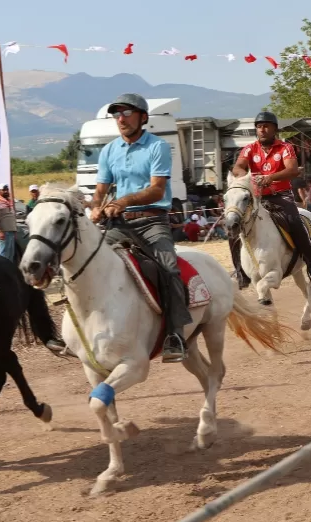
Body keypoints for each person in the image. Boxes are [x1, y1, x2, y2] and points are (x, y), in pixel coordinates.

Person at [90, 93, 191, 363]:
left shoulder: (158, 146)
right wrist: (95, 207)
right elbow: (100, 191)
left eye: (126, 113)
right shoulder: (109, 150)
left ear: (143, 117)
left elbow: (157, 190)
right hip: (118, 224)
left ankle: (175, 335)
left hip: (152, 221)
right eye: (117, 114)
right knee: (89, 262)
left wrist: (124, 201)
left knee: (169, 268)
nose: (120, 119)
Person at [229, 111, 311, 290]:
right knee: (234, 225)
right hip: (256, 198)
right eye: (259, 127)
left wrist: (270, 177)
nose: (262, 130)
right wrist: (246, 176)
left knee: (294, 220)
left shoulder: (285, 148)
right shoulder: (249, 149)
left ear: (274, 129)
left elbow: (292, 170)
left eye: (266, 126)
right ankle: (240, 271)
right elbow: (238, 167)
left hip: (280, 196)